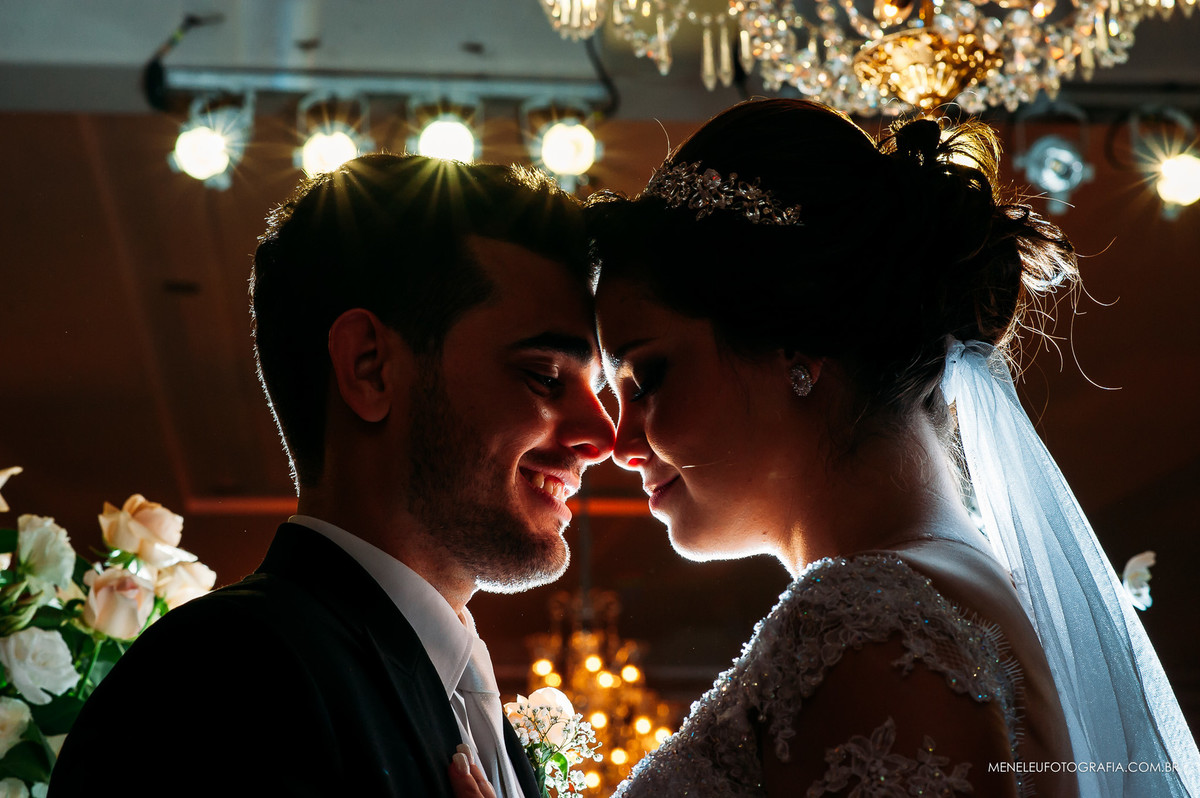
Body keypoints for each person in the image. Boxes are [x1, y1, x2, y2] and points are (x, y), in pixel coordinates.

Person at [451, 98, 1200, 798]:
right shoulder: (955, 593)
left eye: (646, 376)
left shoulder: (871, 635)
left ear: (795, 353)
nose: (617, 438)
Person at [49, 154, 616, 797]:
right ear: (370, 367)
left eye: (597, 390)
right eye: (545, 376)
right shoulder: (220, 678)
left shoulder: (478, 715)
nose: (603, 438)